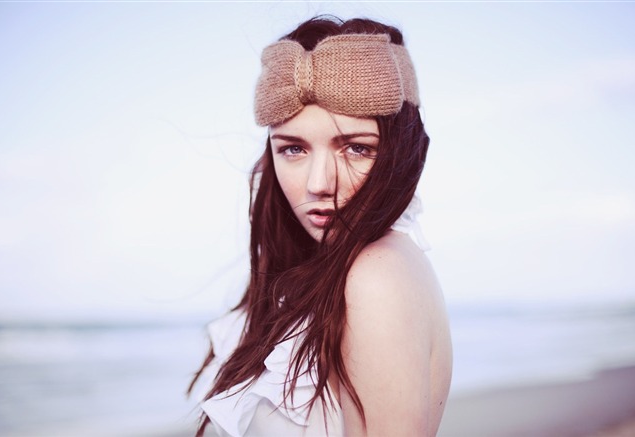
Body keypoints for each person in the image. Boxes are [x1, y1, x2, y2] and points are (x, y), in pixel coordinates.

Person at [189, 16, 452, 437]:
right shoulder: (330, 272)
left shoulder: (376, 274)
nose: (318, 183)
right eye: (293, 148)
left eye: (356, 148)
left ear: (397, 151)